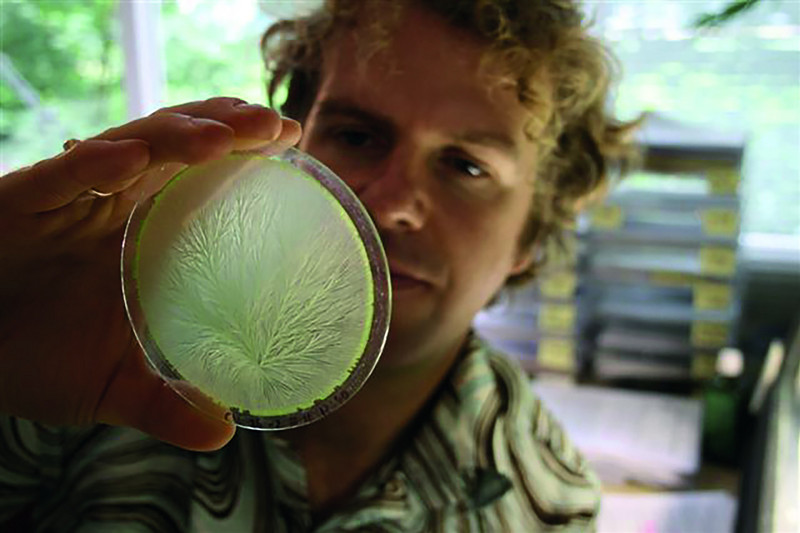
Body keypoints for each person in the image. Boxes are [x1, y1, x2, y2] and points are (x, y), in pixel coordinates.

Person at [0, 0, 637, 531]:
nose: (391, 206)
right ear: (285, 153)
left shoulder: (549, 504)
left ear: (531, 233)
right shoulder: (95, 352)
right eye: (358, 136)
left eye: (466, 166)